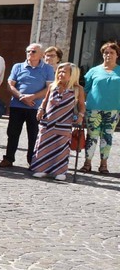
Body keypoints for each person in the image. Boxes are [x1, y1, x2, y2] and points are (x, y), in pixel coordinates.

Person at [0, 43, 54, 169]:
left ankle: (33, 160)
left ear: (41, 54)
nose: (30, 53)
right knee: (12, 133)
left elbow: (49, 88)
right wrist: (21, 97)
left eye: (34, 51)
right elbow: (10, 85)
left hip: (36, 107)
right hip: (17, 106)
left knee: (33, 134)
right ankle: (8, 158)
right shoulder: (18, 67)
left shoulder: (48, 69)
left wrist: (32, 97)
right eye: (28, 51)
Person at [31, 63, 86, 181]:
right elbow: (45, 102)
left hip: (64, 123)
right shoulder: (52, 86)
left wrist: (81, 115)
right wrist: (40, 109)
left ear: (72, 75)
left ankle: (60, 171)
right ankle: (41, 169)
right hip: (48, 122)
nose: (61, 74)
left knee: (61, 148)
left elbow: (81, 105)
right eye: (59, 71)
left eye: (64, 72)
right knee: (43, 145)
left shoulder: (77, 89)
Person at [82, 40, 120, 175]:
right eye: (106, 52)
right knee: (92, 136)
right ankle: (87, 163)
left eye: (111, 52)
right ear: (102, 54)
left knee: (107, 137)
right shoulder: (94, 71)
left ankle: (103, 164)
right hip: (94, 109)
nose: (108, 55)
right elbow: (85, 90)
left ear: (117, 55)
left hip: (113, 110)